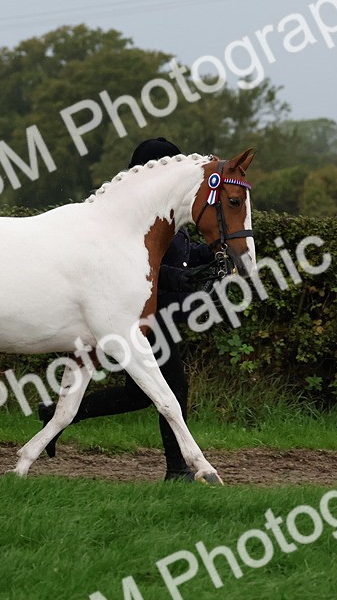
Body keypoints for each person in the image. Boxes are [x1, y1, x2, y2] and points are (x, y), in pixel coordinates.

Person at [38, 137, 218, 481]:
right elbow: (139, 269)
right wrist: (182, 279)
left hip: (159, 317)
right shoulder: (133, 220)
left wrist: (215, 252)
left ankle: (56, 415)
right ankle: (178, 469)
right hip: (140, 318)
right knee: (174, 389)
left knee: (135, 395)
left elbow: (183, 252)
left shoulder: (164, 217)